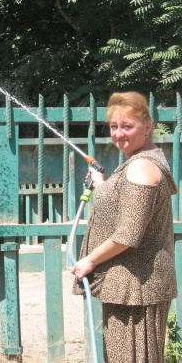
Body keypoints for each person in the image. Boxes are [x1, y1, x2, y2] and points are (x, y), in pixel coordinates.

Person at [71, 91, 178, 362]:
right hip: (129, 287)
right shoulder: (140, 161)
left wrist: (89, 261)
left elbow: (128, 234)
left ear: (147, 127)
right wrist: (102, 185)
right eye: (114, 126)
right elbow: (127, 207)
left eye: (127, 126)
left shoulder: (142, 166)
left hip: (137, 288)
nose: (119, 134)